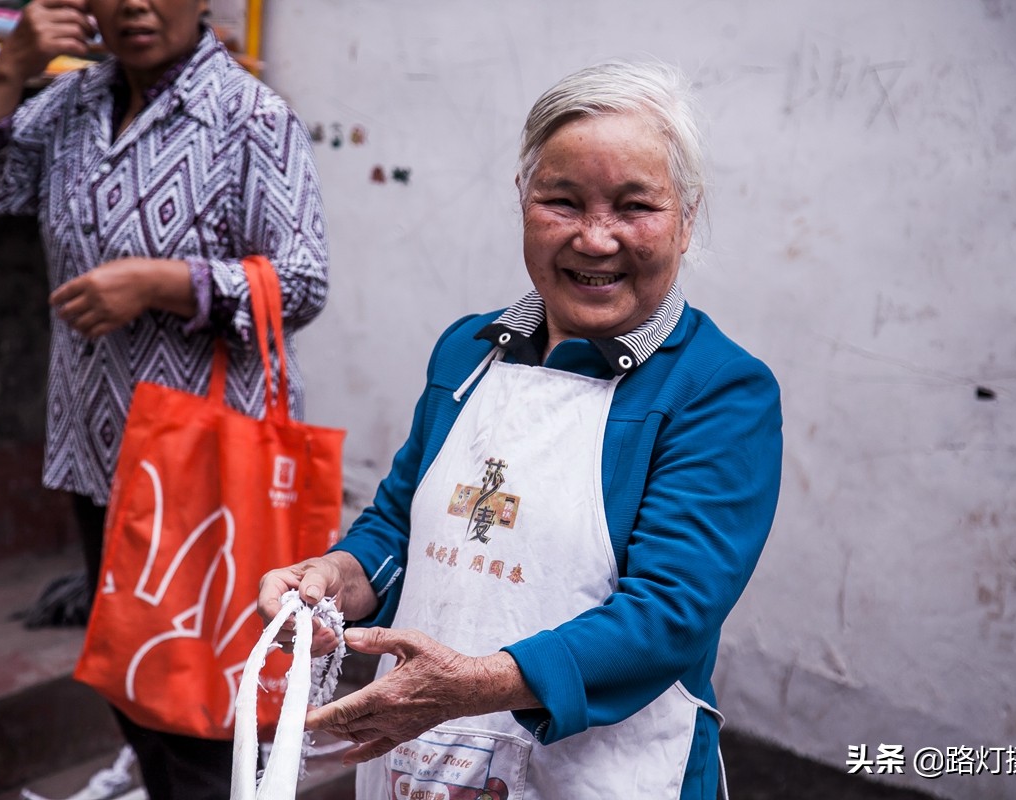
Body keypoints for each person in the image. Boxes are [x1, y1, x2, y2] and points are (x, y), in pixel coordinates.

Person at [258, 59, 781, 799]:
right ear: (523, 199)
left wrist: (473, 685)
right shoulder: (468, 353)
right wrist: (337, 580)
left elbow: (669, 615)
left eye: (635, 206)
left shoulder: (719, 391)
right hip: (420, 759)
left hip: (605, 775)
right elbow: (401, 527)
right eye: (562, 201)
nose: (596, 240)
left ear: (687, 217)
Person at [0, 1, 328, 798]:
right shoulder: (73, 103)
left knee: (198, 710)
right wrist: (10, 64)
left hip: (202, 464)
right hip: (96, 447)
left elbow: (303, 280)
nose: (135, 3)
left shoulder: (248, 114)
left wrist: (161, 283)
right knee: (132, 680)